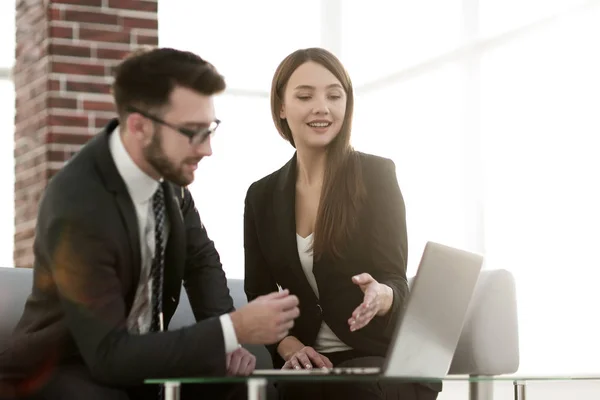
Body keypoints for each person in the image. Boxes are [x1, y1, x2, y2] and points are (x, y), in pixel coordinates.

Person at [0, 48, 299, 400]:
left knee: (243, 387)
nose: (207, 150)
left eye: (209, 130)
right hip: (64, 367)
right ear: (139, 126)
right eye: (192, 132)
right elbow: (108, 355)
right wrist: (232, 329)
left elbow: (201, 260)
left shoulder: (167, 180)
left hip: (140, 359)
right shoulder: (79, 204)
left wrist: (227, 344)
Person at [243, 48, 441, 400]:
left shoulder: (377, 176)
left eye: (335, 95)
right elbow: (258, 292)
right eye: (305, 96)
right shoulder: (261, 195)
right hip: (307, 366)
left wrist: (381, 296)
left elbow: (396, 279)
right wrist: (289, 347)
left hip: (376, 358)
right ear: (282, 107)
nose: (322, 107)